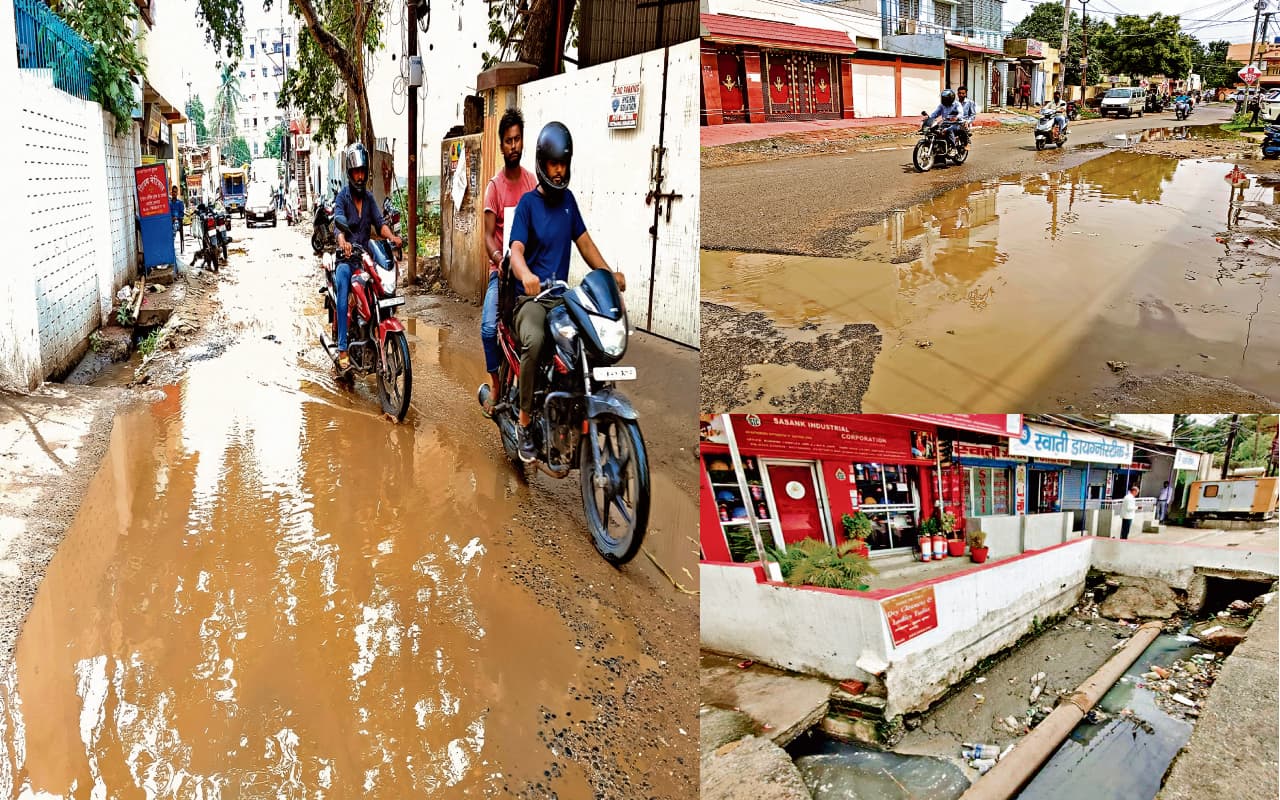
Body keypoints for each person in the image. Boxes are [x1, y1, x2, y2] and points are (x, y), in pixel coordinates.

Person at [508, 121, 626, 463]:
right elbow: (515, 250)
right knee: (535, 342)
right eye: (553, 165)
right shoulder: (529, 205)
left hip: (561, 297)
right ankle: (525, 423)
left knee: (586, 342)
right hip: (531, 299)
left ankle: (578, 408)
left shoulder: (568, 202)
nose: (559, 172)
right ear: (542, 164)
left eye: (563, 165)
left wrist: (607, 273)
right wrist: (527, 274)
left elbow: (584, 243)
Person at [480, 107, 537, 418]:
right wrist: (498, 258)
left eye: (517, 139)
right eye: (508, 141)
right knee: (489, 330)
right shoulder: (494, 187)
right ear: (501, 145)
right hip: (501, 275)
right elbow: (488, 236)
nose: (513, 145)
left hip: (529, 273)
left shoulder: (532, 184)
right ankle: (495, 383)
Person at [332, 143, 403, 371]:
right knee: (343, 287)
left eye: (363, 172)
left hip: (365, 259)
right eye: (356, 172)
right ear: (350, 173)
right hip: (347, 260)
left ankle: (376, 328)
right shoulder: (342, 198)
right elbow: (338, 225)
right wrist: (343, 243)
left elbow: (380, 224)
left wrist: (392, 237)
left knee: (381, 288)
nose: (360, 177)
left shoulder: (370, 198)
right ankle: (343, 348)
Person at [925, 89, 964, 153]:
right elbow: (935, 113)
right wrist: (929, 118)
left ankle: (954, 148)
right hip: (945, 123)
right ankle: (937, 148)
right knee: (933, 130)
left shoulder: (957, 104)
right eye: (943, 98)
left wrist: (956, 118)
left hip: (956, 123)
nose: (944, 100)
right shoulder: (942, 105)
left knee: (948, 130)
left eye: (946, 98)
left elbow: (961, 113)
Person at [954, 85, 977, 152]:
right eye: (959, 93)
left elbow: (973, 115)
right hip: (955, 122)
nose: (961, 95)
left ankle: (966, 143)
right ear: (957, 94)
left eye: (963, 93)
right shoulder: (955, 103)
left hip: (965, 123)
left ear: (966, 94)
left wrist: (967, 122)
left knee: (961, 128)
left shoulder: (970, 103)